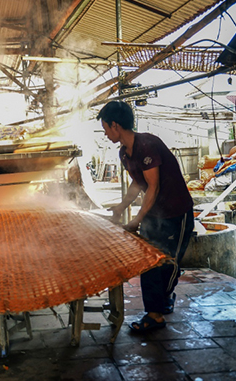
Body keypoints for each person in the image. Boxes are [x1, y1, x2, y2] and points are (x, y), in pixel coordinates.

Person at [97, 100, 194, 333]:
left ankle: (156, 313)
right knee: (149, 261)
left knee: (168, 263)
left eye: (105, 128)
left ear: (115, 125)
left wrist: (137, 219)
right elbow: (137, 183)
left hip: (175, 213)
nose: (105, 133)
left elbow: (153, 186)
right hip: (154, 213)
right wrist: (121, 208)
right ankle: (157, 308)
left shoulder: (147, 145)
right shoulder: (124, 153)